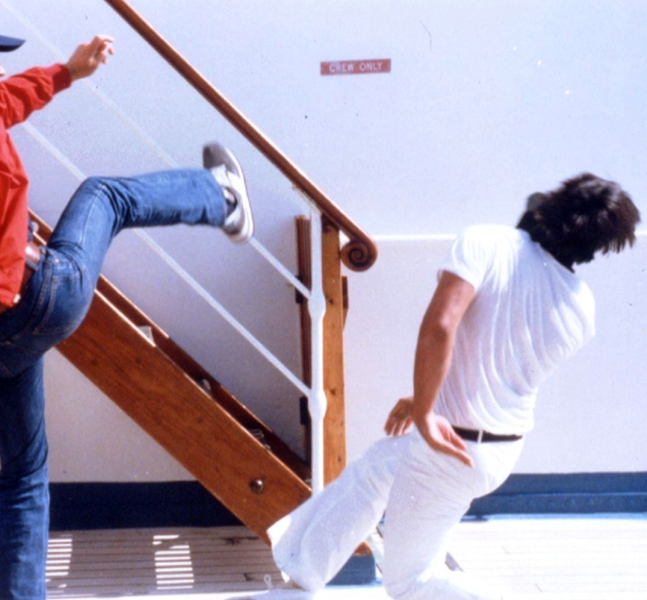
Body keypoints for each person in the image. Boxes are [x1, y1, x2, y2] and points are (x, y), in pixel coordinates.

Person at [0, 2, 254, 598]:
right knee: (105, 196)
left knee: (22, 474)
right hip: (41, 298)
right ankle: (222, 198)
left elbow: (10, 98)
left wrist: (67, 72)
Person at [267, 173, 640, 599]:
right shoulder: (581, 308)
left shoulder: (486, 242)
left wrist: (426, 412)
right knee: (376, 468)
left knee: (411, 582)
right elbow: (495, 363)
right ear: (600, 246)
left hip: (449, 448)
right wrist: (423, 399)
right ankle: (301, 573)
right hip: (494, 449)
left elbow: (443, 326)